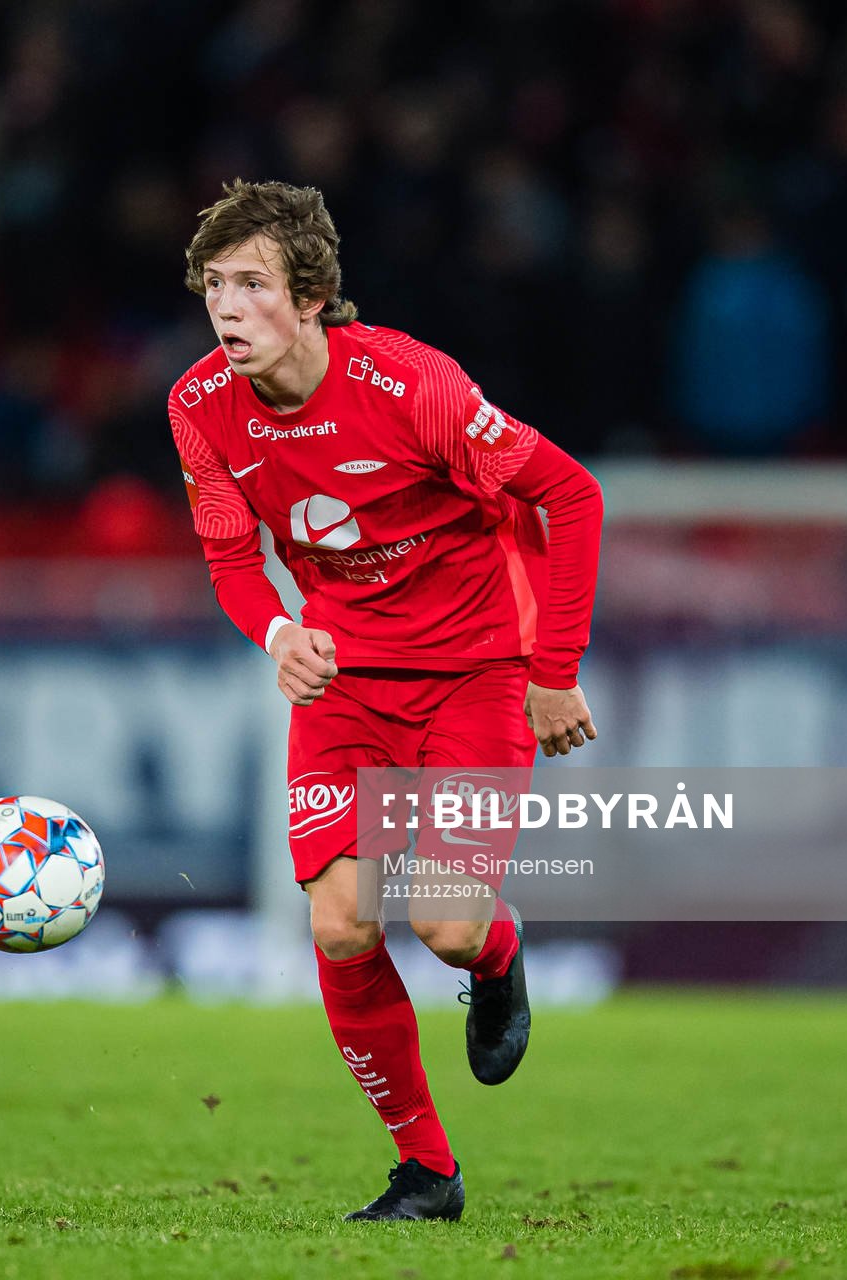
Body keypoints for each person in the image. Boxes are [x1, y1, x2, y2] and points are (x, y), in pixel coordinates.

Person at [169, 180, 603, 1221]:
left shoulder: (417, 389)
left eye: (254, 285)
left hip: (476, 671)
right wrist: (280, 633)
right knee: (341, 925)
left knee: (445, 926)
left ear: (312, 297)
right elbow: (233, 560)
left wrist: (554, 672)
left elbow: (571, 493)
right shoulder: (200, 408)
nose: (228, 308)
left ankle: (496, 958)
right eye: (214, 286)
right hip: (347, 679)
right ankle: (426, 1170)